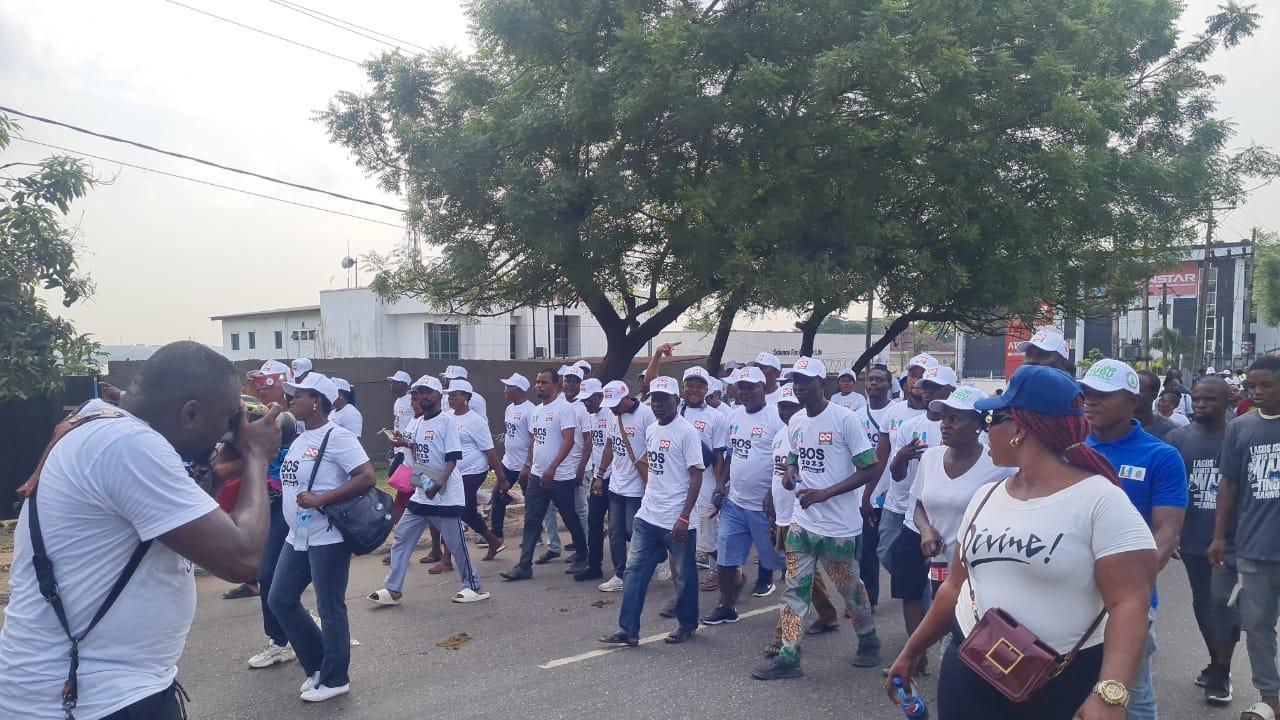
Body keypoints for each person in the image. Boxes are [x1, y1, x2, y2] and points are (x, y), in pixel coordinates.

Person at [0, 342, 281, 719]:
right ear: (190, 414)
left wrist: (219, 472)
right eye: (230, 419)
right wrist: (257, 459)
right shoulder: (129, 445)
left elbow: (173, 527)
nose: (230, 433)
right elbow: (242, 559)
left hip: (93, 691)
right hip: (97, 699)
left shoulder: (96, 424)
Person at [885, 364, 1158, 720]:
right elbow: (955, 586)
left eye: (990, 422)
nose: (985, 433)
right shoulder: (987, 496)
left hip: (1058, 681)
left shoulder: (1100, 501)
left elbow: (1129, 603)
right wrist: (910, 652)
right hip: (969, 670)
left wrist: (1111, 693)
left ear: (1019, 428)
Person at [753, 356, 883, 680]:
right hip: (803, 523)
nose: (798, 386)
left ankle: (868, 639)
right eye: (795, 381)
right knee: (794, 590)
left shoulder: (845, 420)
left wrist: (827, 492)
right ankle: (788, 657)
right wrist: (791, 475)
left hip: (839, 528)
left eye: (806, 380)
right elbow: (795, 460)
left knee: (850, 591)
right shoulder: (796, 421)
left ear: (822, 383)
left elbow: (870, 467)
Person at [1080, 359, 1188, 720]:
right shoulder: (1070, 449)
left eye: (1102, 395)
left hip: (1128, 602)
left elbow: (1167, 532)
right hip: (1070, 597)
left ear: (1132, 401)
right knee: (1070, 693)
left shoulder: (1161, 456)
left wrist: (1129, 589)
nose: (1090, 401)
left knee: (1128, 696)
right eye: (1087, 394)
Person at [269, 372, 375, 702]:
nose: (290, 400)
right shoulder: (301, 437)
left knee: (330, 609)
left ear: (317, 401)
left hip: (327, 536)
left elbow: (367, 476)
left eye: (297, 395)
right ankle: (316, 665)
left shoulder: (337, 436)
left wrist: (322, 499)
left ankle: (335, 678)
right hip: (297, 535)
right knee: (280, 599)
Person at [599, 376, 705, 646]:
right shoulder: (653, 429)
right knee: (634, 571)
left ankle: (686, 624)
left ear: (676, 401)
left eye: (664, 399)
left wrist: (684, 516)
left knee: (683, 574)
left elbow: (696, 477)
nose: (658, 405)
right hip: (648, 515)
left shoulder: (687, 432)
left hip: (677, 520)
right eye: (655, 399)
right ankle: (628, 630)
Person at [369, 375, 490, 607]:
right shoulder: (419, 422)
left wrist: (439, 484)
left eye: (426, 392)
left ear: (438, 396)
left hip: (444, 493)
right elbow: (418, 448)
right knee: (402, 537)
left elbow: (453, 459)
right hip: (423, 487)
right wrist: (403, 444)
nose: (420, 397)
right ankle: (392, 589)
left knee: (456, 543)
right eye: (417, 392)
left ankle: (473, 586)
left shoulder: (447, 422)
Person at [1210, 355, 1280, 720]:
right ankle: (1270, 696)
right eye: (1253, 385)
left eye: (1266, 385)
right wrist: (1219, 535)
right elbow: (1229, 484)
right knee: (1257, 627)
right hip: (1256, 547)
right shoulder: (1241, 427)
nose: (1257, 392)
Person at [1165, 377, 1237, 706]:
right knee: (1203, 604)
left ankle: (1221, 670)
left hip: (1234, 538)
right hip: (1193, 535)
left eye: (1210, 399)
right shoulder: (1178, 438)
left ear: (1227, 401)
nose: (1201, 404)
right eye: (1196, 398)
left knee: (1224, 605)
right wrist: (1172, 531)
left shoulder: (1238, 435)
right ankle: (1219, 664)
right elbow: (1170, 490)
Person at [761, 384, 841, 656]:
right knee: (802, 573)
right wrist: (770, 501)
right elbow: (777, 474)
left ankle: (783, 634)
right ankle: (828, 615)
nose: (786, 411)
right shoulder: (780, 434)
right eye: (782, 406)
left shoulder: (809, 430)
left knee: (794, 578)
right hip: (784, 514)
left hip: (808, 515)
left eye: (790, 406)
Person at [702, 366, 786, 625]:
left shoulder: (776, 416)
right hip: (735, 504)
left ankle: (818, 606)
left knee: (783, 561)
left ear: (763, 388)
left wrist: (774, 494)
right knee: (726, 560)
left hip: (765, 508)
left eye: (751, 387)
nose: (746, 392)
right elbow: (731, 454)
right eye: (742, 387)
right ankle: (726, 606)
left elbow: (784, 459)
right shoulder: (735, 416)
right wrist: (720, 484)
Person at [906, 386, 1009, 598]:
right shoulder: (930, 458)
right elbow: (918, 506)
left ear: (979, 425)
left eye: (954, 419)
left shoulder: (1000, 464)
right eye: (944, 419)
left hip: (979, 572)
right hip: (937, 566)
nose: (945, 426)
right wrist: (926, 530)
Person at [886, 364, 958, 660]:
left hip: (955, 527)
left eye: (934, 388)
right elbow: (898, 474)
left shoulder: (971, 431)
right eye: (924, 386)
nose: (926, 391)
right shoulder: (909, 426)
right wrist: (902, 456)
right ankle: (915, 655)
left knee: (950, 592)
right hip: (914, 520)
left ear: (949, 392)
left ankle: (951, 652)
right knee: (909, 588)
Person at [239, 361, 301, 670]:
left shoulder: (287, 417)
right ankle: (289, 633)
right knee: (276, 577)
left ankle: (280, 642)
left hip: (285, 506)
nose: (261, 386)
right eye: (257, 382)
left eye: (266, 381)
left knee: (268, 575)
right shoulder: (260, 411)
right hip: (267, 504)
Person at [501, 369, 591, 580]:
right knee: (531, 520)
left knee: (570, 517)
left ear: (556, 385)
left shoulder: (565, 409)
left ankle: (582, 555)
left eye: (544, 382)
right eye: (537, 382)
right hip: (537, 475)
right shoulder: (536, 411)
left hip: (561, 476)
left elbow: (569, 441)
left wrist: (553, 467)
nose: (538, 386)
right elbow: (534, 441)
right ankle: (524, 566)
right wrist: (528, 466)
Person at [593, 380, 658, 592]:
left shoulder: (646, 415)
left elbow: (655, 444)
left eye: (615, 402)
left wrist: (648, 472)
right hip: (617, 484)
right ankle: (621, 574)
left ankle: (657, 555)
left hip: (638, 485)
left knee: (633, 529)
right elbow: (610, 446)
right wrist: (600, 475)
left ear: (626, 397)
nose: (611, 407)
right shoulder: (614, 416)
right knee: (615, 531)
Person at [876, 353, 937, 580]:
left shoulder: (945, 418)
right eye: (913, 375)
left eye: (922, 376)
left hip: (927, 505)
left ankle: (921, 594)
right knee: (885, 553)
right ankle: (915, 582)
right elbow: (881, 456)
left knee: (923, 557)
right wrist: (870, 493)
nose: (916, 381)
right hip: (896, 500)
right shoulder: (894, 412)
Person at [855, 366, 900, 611]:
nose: (873, 384)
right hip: (867, 494)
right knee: (867, 551)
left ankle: (911, 588)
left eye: (879, 380)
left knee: (892, 550)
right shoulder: (857, 416)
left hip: (893, 492)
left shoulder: (897, 413)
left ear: (889, 385)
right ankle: (868, 599)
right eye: (870, 380)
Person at [446, 379, 506, 559]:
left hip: (473, 470)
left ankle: (447, 557)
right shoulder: (447, 416)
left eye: (454, 395)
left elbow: (490, 451)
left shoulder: (476, 421)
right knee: (464, 511)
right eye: (448, 395)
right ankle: (493, 541)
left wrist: (501, 478)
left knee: (459, 510)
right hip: (453, 471)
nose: (450, 399)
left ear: (466, 397)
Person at [573, 379, 610, 581]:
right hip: (599, 477)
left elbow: (610, 448)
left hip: (614, 478)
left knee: (623, 528)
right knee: (594, 522)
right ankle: (594, 565)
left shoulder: (610, 414)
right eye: (583, 400)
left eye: (588, 400)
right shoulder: (592, 416)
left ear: (599, 397)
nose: (585, 404)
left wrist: (601, 475)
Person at [491, 373, 535, 541]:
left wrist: (528, 465)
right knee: (497, 495)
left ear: (519, 390)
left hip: (524, 465)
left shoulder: (530, 410)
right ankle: (496, 535)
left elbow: (534, 439)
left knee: (530, 502)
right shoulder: (509, 408)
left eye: (508, 387)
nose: (505, 390)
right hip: (508, 463)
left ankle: (534, 535)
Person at [387, 371, 416, 527]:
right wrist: (393, 445)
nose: (392, 385)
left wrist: (406, 444)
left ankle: (395, 525)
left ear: (405, 384)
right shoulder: (397, 402)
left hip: (411, 454)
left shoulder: (411, 400)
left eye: (395, 382)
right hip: (402, 450)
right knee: (404, 487)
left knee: (407, 490)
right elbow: (397, 425)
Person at [1134, 369, 1179, 440]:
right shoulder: (1114, 423)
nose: (1131, 393)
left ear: (1154, 395)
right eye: (1130, 389)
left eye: (1138, 390)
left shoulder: (1171, 431)